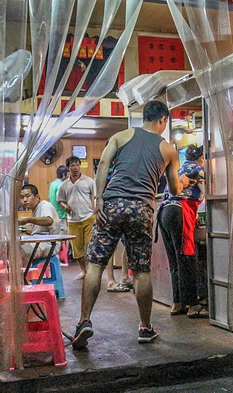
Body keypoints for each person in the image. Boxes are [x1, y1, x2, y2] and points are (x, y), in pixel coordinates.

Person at [72, 100, 184, 348]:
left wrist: (99, 198)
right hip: (141, 209)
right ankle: (145, 327)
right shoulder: (168, 149)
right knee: (142, 270)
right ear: (163, 120)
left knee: (96, 265)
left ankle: (84, 321)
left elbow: (103, 165)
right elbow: (175, 188)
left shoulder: (120, 136)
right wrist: (185, 181)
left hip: (111, 206)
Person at [158, 144, 207, 318]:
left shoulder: (182, 168)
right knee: (186, 258)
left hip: (164, 212)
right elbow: (209, 194)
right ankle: (193, 305)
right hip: (180, 211)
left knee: (175, 260)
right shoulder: (200, 169)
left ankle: (177, 303)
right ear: (203, 157)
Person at [57, 156, 96, 280]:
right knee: (77, 249)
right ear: (68, 168)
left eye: (77, 165)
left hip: (88, 217)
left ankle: (91, 272)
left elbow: (95, 196)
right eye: (72, 165)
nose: (75, 167)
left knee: (90, 245)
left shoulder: (89, 181)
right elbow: (60, 200)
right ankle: (84, 270)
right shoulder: (64, 185)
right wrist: (65, 206)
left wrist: (95, 208)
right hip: (73, 220)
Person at [19, 184, 60, 262]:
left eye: (28, 196)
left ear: (37, 197)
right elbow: (36, 229)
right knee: (14, 249)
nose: (24, 200)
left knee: (22, 253)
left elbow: (49, 221)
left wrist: (28, 219)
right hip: (39, 241)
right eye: (22, 197)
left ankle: (27, 273)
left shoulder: (45, 205)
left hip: (49, 244)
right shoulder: (35, 210)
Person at [48, 165, 69, 233]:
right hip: (60, 215)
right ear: (64, 175)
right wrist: (67, 207)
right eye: (68, 174)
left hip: (53, 214)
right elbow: (59, 199)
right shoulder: (60, 185)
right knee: (62, 236)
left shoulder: (52, 184)